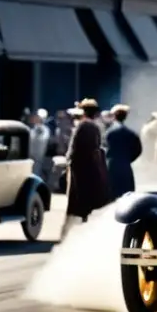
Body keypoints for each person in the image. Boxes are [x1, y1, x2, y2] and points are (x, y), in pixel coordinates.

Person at [61, 98, 110, 240]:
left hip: (81, 169)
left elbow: (73, 151)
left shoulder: (84, 126)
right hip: (88, 170)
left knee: (81, 202)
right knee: (88, 202)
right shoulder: (91, 126)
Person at [105, 104, 142, 199]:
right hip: (126, 167)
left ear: (114, 116)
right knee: (126, 196)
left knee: (112, 194)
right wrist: (128, 159)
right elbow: (138, 150)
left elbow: (103, 148)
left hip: (111, 166)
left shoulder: (109, 132)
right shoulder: (131, 133)